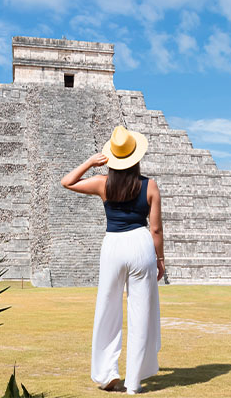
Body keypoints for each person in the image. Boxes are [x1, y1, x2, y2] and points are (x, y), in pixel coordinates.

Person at [61, 125, 165, 394]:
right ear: (135, 157)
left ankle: (107, 373)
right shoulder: (149, 186)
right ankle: (134, 381)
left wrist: (90, 162)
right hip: (141, 244)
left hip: (113, 245)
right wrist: (160, 259)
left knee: (107, 308)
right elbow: (155, 229)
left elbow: (67, 182)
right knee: (141, 312)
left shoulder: (102, 183)